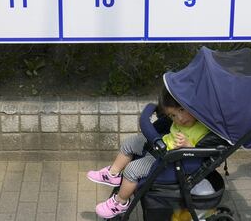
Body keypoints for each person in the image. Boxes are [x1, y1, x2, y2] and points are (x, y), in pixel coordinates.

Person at [87, 86, 224, 219]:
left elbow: (201, 151)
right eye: (173, 115)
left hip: (170, 162)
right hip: (162, 147)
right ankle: (113, 173)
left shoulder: (203, 128)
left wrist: (188, 146)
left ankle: (120, 202)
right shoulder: (181, 121)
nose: (180, 118)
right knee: (130, 142)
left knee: (132, 169)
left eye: (182, 110)